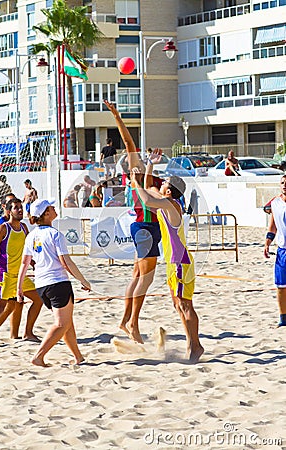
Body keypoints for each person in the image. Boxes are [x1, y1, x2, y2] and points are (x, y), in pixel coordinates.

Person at [132, 151, 204, 363]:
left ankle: (196, 345)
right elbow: (148, 188)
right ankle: (193, 345)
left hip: (180, 261)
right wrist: (149, 167)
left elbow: (144, 197)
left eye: (164, 183)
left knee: (185, 305)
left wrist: (136, 182)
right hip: (174, 261)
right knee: (178, 305)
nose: (160, 183)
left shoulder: (170, 205)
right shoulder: (166, 201)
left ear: (170, 190)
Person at [104, 100, 162, 344]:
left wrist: (150, 164)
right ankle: (133, 323)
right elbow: (128, 142)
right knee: (144, 280)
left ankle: (126, 320)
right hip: (146, 229)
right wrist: (117, 116)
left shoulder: (139, 177)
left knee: (137, 277)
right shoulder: (136, 174)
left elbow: (149, 181)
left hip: (143, 228)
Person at [17, 199, 91, 367]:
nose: (54, 208)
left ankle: (78, 357)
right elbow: (66, 262)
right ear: (46, 214)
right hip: (57, 282)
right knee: (61, 323)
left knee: (66, 322)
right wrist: (83, 280)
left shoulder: (31, 236)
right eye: (51, 207)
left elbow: (24, 263)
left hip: (41, 285)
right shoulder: (55, 234)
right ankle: (38, 356)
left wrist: (19, 287)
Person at [0, 198, 42, 344]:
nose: (20, 210)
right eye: (16, 208)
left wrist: (34, 262)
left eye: (21, 207)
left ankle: (28, 332)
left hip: (19, 275)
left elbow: (28, 250)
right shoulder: (3, 228)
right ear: (9, 211)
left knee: (37, 299)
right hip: (4, 273)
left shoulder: (24, 227)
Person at [264, 175, 286, 327]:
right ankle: (283, 317)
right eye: (282, 183)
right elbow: (273, 226)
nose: (285, 185)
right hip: (283, 250)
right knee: (281, 286)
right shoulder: (275, 203)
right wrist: (267, 243)